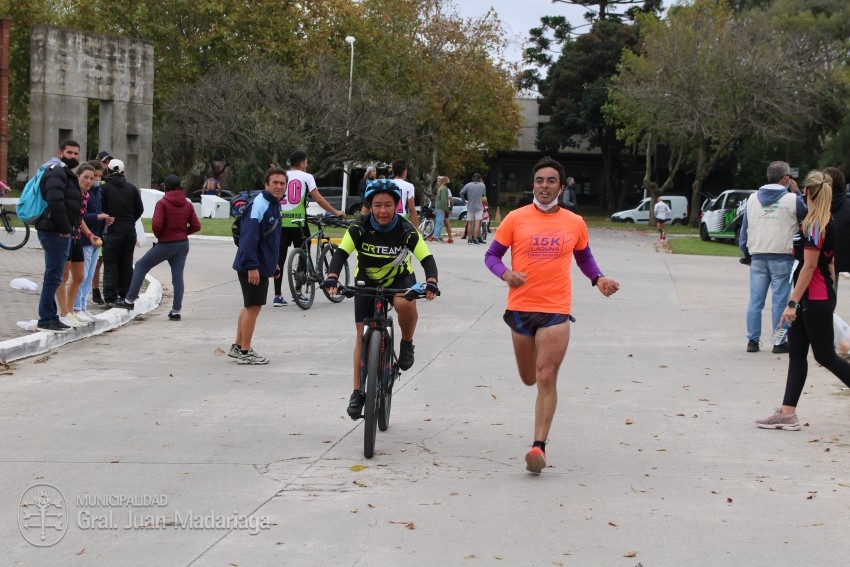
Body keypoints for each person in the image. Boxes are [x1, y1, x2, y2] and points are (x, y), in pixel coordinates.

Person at [483, 156, 620, 474]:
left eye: (551, 181)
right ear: (533, 185)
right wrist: (505, 274)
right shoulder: (516, 219)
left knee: (546, 375)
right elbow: (491, 256)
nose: (544, 186)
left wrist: (598, 279)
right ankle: (538, 436)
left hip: (556, 309)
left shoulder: (574, 222)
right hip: (520, 308)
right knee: (529, 377)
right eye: (539, 181)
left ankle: (538, 447)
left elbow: (584, 257)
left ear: (561, 185)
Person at [323, 179, 439, 419]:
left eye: (388, 205)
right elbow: (341, 253)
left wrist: (432, 282)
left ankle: (406, 343)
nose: (383, 211)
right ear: (370, 206)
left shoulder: (406, 229)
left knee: (403, 303)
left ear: (397, 206)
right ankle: (357, 392)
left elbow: (426, 258)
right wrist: (332, 277)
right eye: (377, 205)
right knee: (360, 333)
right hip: (367, 280)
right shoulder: (359, 227)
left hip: (399, 279)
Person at [756, 170, 850, 431]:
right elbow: (828, 263)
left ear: (806, 192)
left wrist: (792, 303)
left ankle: (787, 413)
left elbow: (809, 267)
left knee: (825, 356)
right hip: (813, 296)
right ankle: (787, 414)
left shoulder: (817, 224)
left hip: (814, 298)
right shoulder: (817, 220)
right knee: (797, 353)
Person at [113, 175, 201, 320]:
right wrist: (183, 233)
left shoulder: (163, 203)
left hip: (166, 243)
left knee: (141, 266)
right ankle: (176, 311)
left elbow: (157, 224)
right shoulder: (187, 204)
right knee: (178, 277)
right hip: (182, 244)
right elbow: (196, 226)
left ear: (165, 187)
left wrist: (162, 235)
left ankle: (129, 300)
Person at [739, 161, 805, 354]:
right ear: (784, 178)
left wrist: (746, 254)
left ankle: (753, 340)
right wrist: (798, 192)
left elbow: (745, 230)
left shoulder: (752, 199)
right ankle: (778, 341)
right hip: (782, 254)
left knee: (755, 301)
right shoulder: (792, 199)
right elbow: (807, 215)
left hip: (758, 254)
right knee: (779, 301)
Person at [229, 166, 286, 364]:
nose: (279, 186)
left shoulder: (274, 204)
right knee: (254, 307)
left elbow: (270, 239)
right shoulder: (259, 206)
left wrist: (274, 264)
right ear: (266, 184)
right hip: (252, 266)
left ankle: (238, 346)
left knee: (249, 307)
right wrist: (252, 266)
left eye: (282, 183)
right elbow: (248, 239)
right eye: (275, 183)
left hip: (261, 264)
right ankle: (245, 353)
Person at [272, 151, 344, 306]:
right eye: (306, 162)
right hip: (298, 222)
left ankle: (277, 295)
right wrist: (335, 212)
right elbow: (318, 198)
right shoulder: (307, 177)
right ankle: (298, 291)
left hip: (281, 222)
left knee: (280, 258)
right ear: (302, 162)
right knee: (304, 253)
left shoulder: (282, 176)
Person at [35, 140, 83, 333]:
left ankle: (49, 316)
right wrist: (65, 228)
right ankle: (47, 319)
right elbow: (55, 200)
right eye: (69, 153)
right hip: (55, 231)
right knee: (54, 277)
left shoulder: (64, 172)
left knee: (53, 276)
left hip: (58, 230)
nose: (73, 157)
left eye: (76, 154)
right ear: (60, 153)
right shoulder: (56, 171)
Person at [57, 164, 101, 327]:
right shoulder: (71, 194)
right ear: (78, 177)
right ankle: (64, 313)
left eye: (92, 178)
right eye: (86, 177)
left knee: (79, 276)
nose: (90, 181)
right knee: (63, 276)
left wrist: (89, 234)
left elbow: (79, 217)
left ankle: (72, 311)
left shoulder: (86, 195)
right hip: (64, 237)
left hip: (77, 237)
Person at [101, 159, 144, 305]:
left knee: (111, 264)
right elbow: (140, 209)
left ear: (108, 171)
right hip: (129, 232)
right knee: (126, 263)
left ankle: (110, 296)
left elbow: (102, 208)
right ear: (123, 172)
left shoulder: (104, 189)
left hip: (112, 231)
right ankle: (127, 293)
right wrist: (130, 220)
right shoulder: (132, 188)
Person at [75, 160, 112, 319]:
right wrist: (97, 217)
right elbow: (80, 216)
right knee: (81, 276)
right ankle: (76, 307)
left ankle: (82, 306)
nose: (93, 180)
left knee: (89, 276)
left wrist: (105, 219)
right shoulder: (81, 194)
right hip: (84, 239)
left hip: (96, 238)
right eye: (89, 177)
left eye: (96, 176)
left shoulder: (97, 192)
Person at [90, 151, 113, 305]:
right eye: (105, 162)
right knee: (95, 263)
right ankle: (95, 291)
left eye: (109, 163)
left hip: (103, 230)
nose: (106, 165)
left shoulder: (105, 185)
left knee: (102, 260)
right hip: (90, 230)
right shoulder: (89, 186)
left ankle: (99, 291)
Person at [825, 167, 850, 293]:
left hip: (824, 256)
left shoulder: (817, 205)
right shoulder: (847, 205)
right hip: (846, 255)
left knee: (828, 294)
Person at [387, 160, 418, 229]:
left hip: (387, 217)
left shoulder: (386, 183)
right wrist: (416, 228)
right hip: (401, 217)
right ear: (404, 172)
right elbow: (411, 208)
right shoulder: (409, 186)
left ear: (393, 172)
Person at [460, 173, 486, 244]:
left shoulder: (468, 185)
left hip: (470, 206)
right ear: (480, 179)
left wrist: (463, 201)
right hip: (479, 207)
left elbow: (461, 193)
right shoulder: (482, 185)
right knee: (477, 224)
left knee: (470, 223)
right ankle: (475, 239)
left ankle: (469, 239)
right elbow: (484, 195)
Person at [433, 175, 453, 243]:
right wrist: (445, 208)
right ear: (445, 182)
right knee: (439, 222)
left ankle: (439, 236)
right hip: (441, 207)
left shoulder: (440, 188)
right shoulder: (444, 188)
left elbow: (437, 199)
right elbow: (444, 200)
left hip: (438, 207)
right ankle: (435, 237)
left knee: (440, 222)